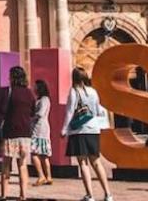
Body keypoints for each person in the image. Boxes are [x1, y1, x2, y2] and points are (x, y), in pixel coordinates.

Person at [62, 66, 114, 201]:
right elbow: (97, 110)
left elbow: (69, 112)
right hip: (93, 129)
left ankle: (90, 195)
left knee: (83, 163)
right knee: (96, 162)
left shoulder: (74, 91)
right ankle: (108, 194)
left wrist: (64, 129)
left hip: (79, 130)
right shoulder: (93, 92)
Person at [0, 65, 37, 201]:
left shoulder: (8, 92)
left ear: (13, 78)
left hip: (10, 132)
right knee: (22, 164)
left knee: (6, 165)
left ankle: (4, 195)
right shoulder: (29, 93)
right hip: (25, 133)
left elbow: (1, 110)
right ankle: (23, 195)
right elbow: (33, 111)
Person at [30, 79, 52, 187]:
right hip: (42, 129)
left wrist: (31, 118)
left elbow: (40, 113)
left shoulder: (43, 100)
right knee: (44, 155)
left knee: (34, 153)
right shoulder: (44, 99)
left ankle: (41, 175)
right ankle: (48, 176)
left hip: (38, 129)